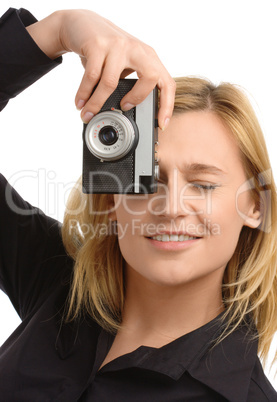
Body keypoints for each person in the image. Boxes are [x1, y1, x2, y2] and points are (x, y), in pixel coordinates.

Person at [0, 7, 276, 402]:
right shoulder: (58, 287)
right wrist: (58, 30)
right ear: (113, 199)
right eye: (148, 180)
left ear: (256, 207)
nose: (172, 206)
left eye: (203, 184)